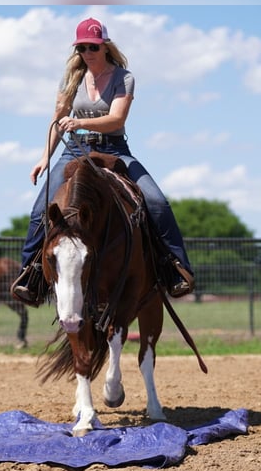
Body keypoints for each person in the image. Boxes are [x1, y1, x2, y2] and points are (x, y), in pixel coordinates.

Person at [12, 17, 194, 306]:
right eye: (82, 47)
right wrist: (45, 157)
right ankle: (31, 275)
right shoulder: (70, 79)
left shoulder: (124, 77)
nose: (87, 52)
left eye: (93, 46)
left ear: (105, 46)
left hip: (114, 149)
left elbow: (117, 119)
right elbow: (57, 121)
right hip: (74, 150)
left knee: (157, 202)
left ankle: (175, 269)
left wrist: (80, 121)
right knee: (40, 210)